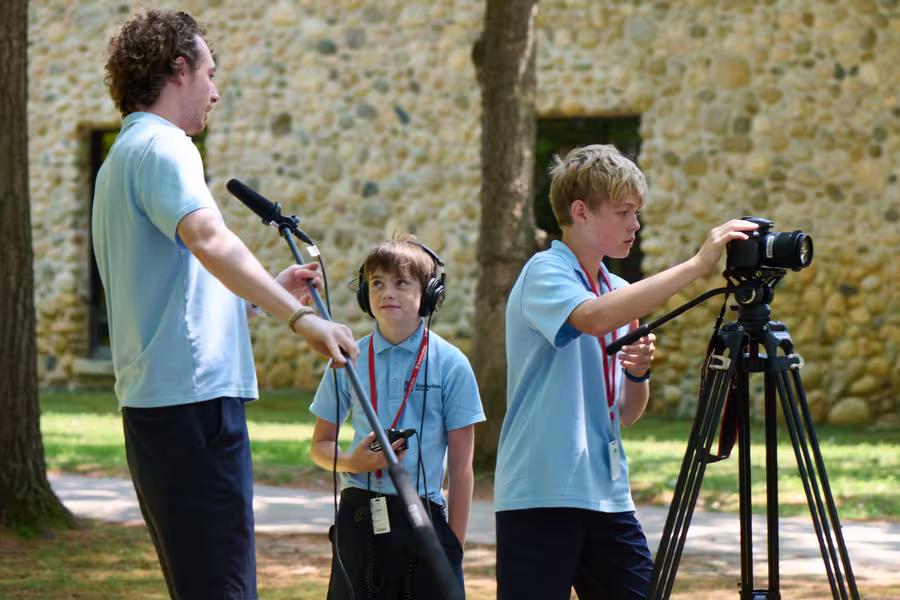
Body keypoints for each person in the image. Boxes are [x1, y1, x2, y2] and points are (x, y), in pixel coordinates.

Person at [91, 9, 359, 600]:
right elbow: (210, 240)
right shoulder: (167, 147)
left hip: (158, 412)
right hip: (196, 410)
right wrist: (304, 318)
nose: (216, 91)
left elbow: (168, 298)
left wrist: (261, 300)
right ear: (179, 68)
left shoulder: (120, 158)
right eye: (211, 72)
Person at [493, 144, 759, 600]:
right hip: (541, 493)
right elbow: (592, 318)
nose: (636, 224)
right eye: (624, 211)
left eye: (637, 212)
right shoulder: (546, 269)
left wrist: (638, 375)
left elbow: (627, 413)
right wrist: (698, 266)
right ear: (581, 212)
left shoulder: (617, 290)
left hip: (608, 494)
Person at [309, 235, 485, 599]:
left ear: (431, 294)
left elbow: (462, 468)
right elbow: (320, 447)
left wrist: (454, 544)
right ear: (364, 294)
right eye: (376, 283)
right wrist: (352, 461)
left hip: (424, 515)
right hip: (359, 516)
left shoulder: (451, 364)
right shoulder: (346, 360)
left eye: (401, 282)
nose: (386, 292)